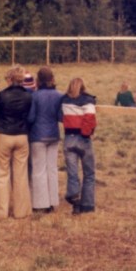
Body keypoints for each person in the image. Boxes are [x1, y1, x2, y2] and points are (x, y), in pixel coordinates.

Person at [0, 66, 33, 219]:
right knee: (21, 175)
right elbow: (29, 116)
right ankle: (21, 211)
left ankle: (2, 211)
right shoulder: (29, 96)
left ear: (9, 79)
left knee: (1, 173)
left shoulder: (2, 95)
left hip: (5, 134)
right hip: (22, 135)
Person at [28, 67, 63, 214]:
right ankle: (53, 201)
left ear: (38, 80)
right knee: (52, 169)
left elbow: (30, 117)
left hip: (37, 136)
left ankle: (40, 204)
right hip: (53, 135)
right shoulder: (59, 95)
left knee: (39, 170)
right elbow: (61, 117)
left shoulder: (35, 96)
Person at [60, 77, 98, 215]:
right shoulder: (88, 101)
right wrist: (87, 134)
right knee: (89, 173)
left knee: (72, 172)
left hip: (69, 138)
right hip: (83, 139)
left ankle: (74, 199)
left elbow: (61, 117)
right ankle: (87, 205)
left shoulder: (64, 100)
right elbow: (90, 119)